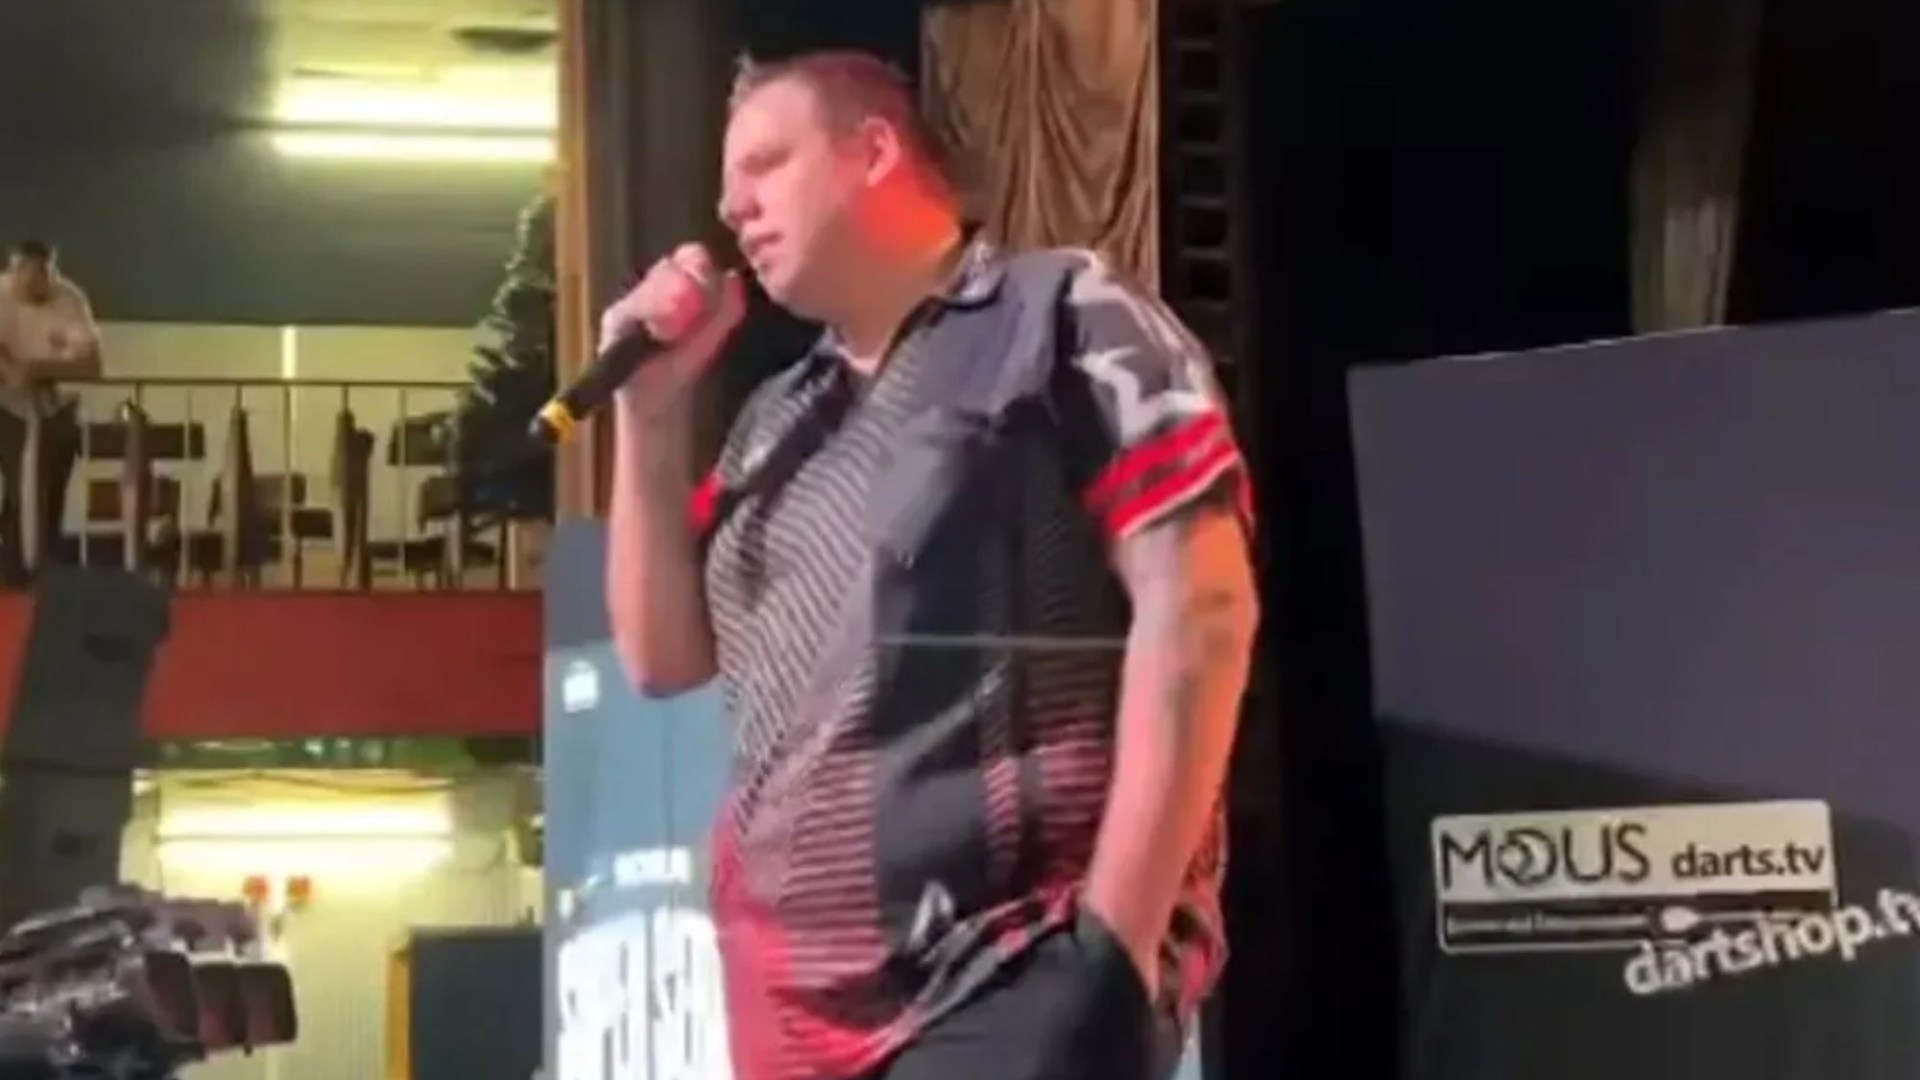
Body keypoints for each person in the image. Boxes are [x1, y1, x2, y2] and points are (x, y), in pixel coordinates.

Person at [602, 50, 1259, 1080]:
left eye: (765, 165)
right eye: (728, 188)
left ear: (872, 151)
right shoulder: (776, 420)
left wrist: (1114, 944)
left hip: (1003, 977)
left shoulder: (1058, 314)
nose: (732, 209)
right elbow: (661, 656)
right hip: (790, 1020)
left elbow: (1203, 604)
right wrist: (647, 416)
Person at [0, 240, 98, 584]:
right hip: (7, 406)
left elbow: (92, 365)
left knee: (50, 492)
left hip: (55, 407)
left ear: (51, 275)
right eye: (22, 274)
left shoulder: (70, 300)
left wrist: (38, 370)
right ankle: (15, 575)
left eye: (38, 276)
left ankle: (39, 574)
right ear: (12, 272)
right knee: (21, 488)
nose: (29, 283)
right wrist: (12, 369)